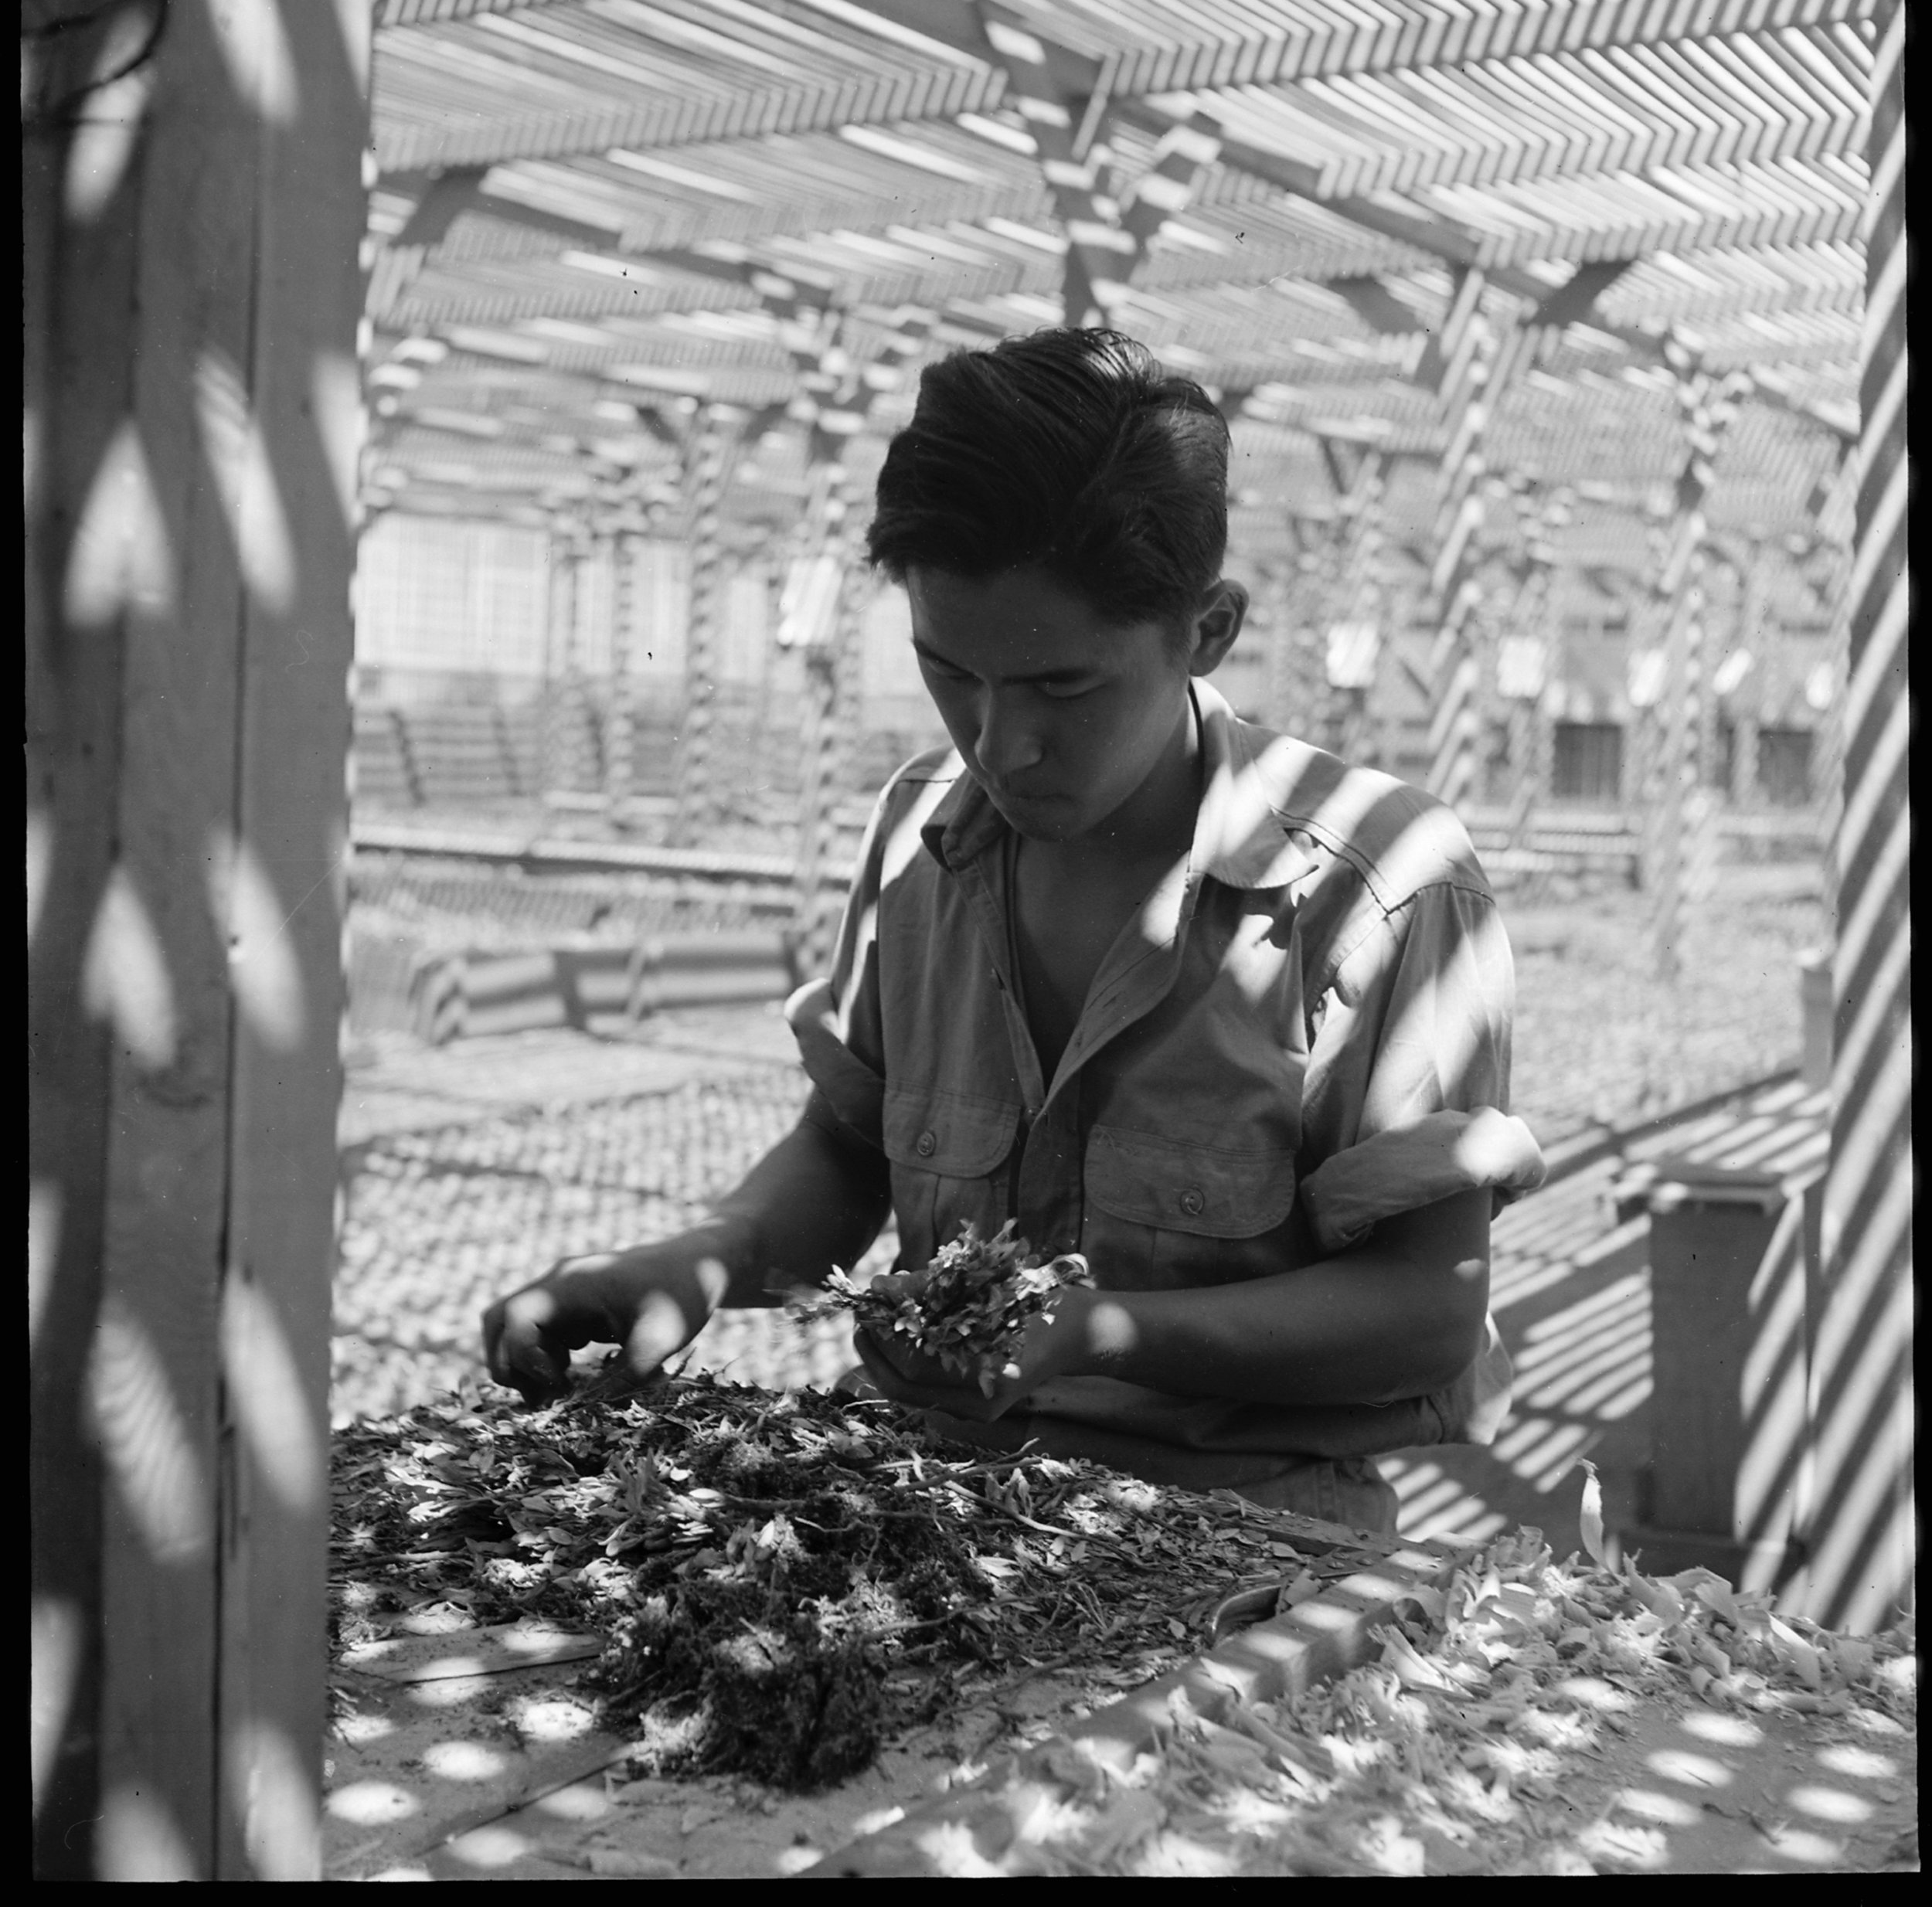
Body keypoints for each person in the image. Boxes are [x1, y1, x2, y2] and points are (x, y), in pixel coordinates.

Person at [484, 327, 1545, 1535]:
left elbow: (1424, 1313)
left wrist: (1104, 1334)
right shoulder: (922, 838)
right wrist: (703, 1258)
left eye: (1062, 688)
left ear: (1207, 630)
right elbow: (846, 1152)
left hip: (1245, 1525)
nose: (998, 744)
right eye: (951, 673)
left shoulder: (1379, 888)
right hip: (923, 1498)